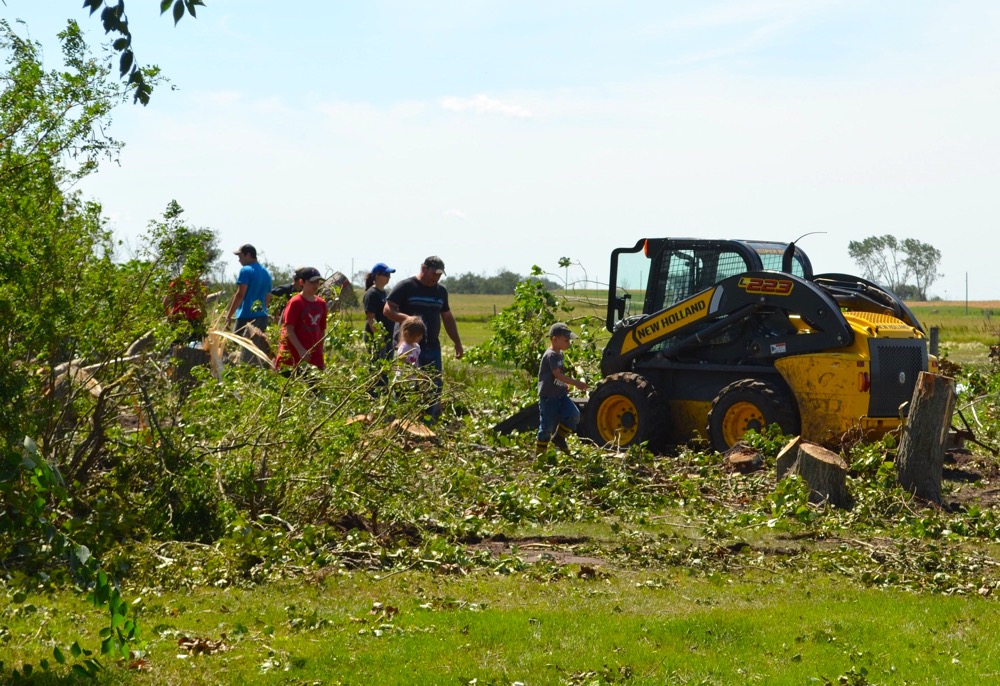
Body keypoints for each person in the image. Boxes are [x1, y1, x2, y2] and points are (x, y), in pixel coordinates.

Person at [384, 256, 464, 420]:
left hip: (431, 345)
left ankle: (428, 421)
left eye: (439, 275)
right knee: (405, 382)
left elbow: (447, 317)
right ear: (423, 268)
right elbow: (388, 309)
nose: (436, 278)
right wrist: (407, 319)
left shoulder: (440, 291)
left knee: (434, 384)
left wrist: (457, 342)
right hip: (408, 345)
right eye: (433, 274)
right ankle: (401, 418)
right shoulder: (406, 286)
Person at [536, 322, 589, 455]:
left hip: (560, 395)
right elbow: (557, 374)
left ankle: (559, 438)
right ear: (555, 339)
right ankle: (540, 456)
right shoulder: (551, 355)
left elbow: (559, 376)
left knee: (574, 415)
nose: (569, 343)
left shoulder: (560, 354)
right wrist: (576, 383)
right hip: (549, 397)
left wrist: (565, 385)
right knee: (546, 428)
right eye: (566, 340)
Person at [225, 244, 273, 363]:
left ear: (248, 255)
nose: (239, 259)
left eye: (240, 256)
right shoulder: (266, 273)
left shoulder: (246, 270)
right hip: (262, 316)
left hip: (246, 317)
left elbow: (240, 294)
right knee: (256, 350)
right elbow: (268, 296)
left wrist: (229, 315)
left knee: (237, 348)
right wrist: (263, 310)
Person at [274, 267, 328, 373]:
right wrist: (301, 350)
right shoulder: (295, 302)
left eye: (317, 282)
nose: (315, 285)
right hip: (292, 356)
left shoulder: (322, 304)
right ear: (301, 282)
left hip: (312, 357)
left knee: (315, 388)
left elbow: (321, 330)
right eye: (312, 282)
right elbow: (289, 329)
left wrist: (319, 352)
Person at [363, 262, 396, 362]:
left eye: (389, 275)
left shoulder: (384, 293)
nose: (389, 277)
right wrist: (379, 338)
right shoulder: (372, 294)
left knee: (386, 369)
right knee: (377, 367)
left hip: (388, 337)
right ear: (377, 276)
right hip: (378, 338)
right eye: (386, 275)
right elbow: (371, 318)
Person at [394, 315, 425, 384]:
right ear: (407, 334)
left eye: (421, 335)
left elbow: (416, 363)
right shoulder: (403, 348)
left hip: (412, 378)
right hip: (402, 379)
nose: (421, 337)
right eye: (418, 335)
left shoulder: (417, 347)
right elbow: (402, 365)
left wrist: (418, 372)